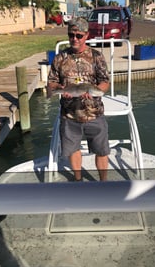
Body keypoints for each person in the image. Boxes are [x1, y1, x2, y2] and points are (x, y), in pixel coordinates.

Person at [47, 17, 110, 181]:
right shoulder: (60, 58)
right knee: (73, 149)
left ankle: (104, 182)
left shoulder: (97, 56)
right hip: (69, 115)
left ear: (86, 35)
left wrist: (97, 91)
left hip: (94, 113)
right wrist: (59, 90)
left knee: (102, 150)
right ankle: (78, 180)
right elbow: (52, 82)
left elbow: (104, 82)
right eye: (71, 35)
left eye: (79, 35)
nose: (74, 39)